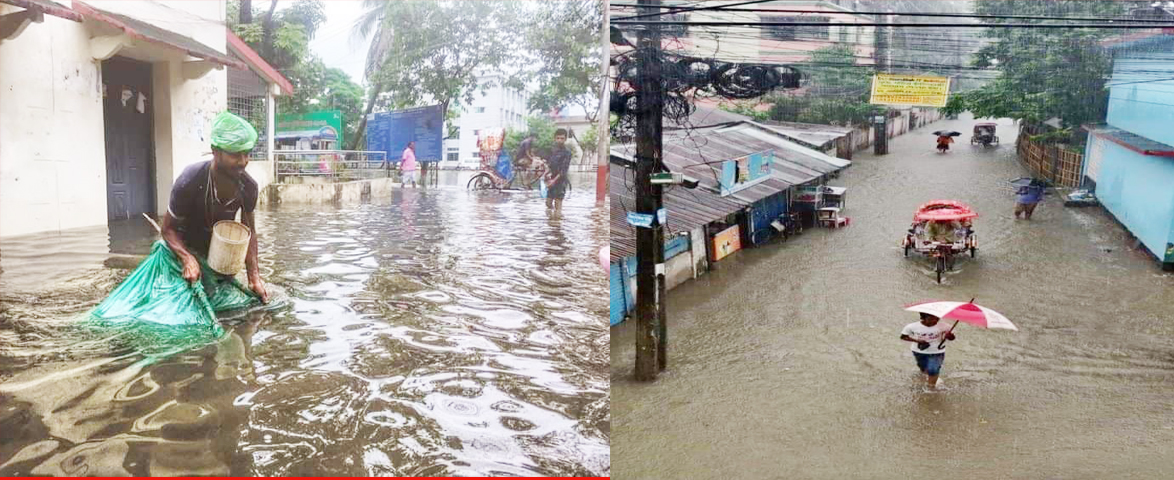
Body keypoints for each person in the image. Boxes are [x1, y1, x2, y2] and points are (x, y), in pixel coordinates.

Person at [160, 111, 269, 303]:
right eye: (235, 154)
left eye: (247, 154)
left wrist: (254, 277)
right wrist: (187, 258)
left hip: (216, 256)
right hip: (180, 250)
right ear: (215, 151)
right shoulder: (190, 180)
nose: (243, 161)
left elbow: (250, 231)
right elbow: (167, 229)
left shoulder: (248, 187)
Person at [900, 312, 957, 388]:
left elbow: (952, 338)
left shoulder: (944, 326)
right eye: (931, 319)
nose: (935, 321)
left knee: (933, 369)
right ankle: (928, 377)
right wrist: (918, 341)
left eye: (937, 318)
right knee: (923, 368)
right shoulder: (912, 326)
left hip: (937, 351)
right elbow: (903, 337)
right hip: (919, 351)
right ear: (923, 317)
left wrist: (950, 336)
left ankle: (931, 388)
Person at [545, 129, 573, 213]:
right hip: (552, 179)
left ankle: (557, 220)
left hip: (561, 180)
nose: (559, 140)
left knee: (558, 202)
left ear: (565, 139)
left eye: (562, 138)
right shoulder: (553, 151)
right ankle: (551, 221)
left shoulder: (567, 153)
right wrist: (546, 174)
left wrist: (553, 181)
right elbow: (550, 165)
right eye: (558, 138)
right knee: (548, 202)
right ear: (554, 138)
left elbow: (563, 170)